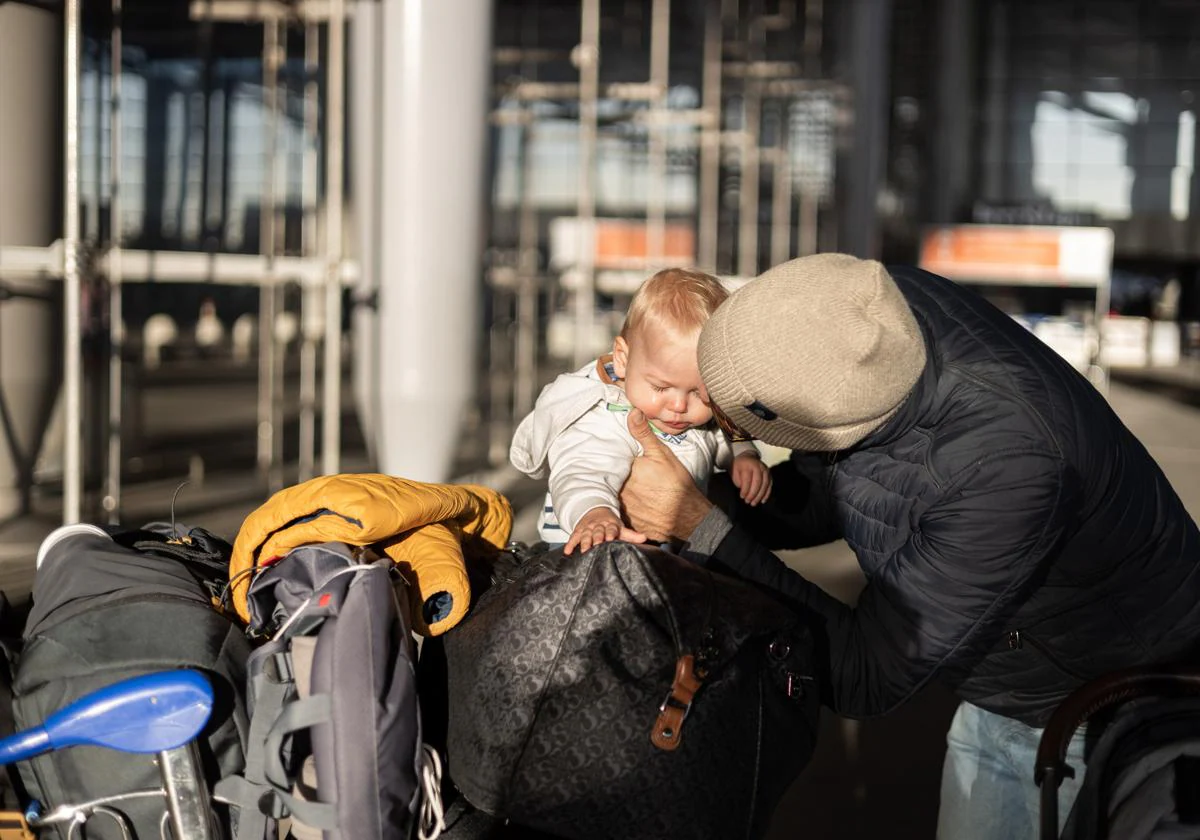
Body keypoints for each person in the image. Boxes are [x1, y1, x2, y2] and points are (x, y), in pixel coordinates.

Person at [615, 253, 1200, 839]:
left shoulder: (1011, 468)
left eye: (729, 420)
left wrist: (702, 525)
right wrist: (697, 491)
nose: (707, 420)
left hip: (1087, 702)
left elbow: (865, 673)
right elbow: (834, 491)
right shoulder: (866, 310)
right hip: (1004, 664)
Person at [510, 267, 771, 556]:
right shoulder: (604, 415)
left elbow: (718, 430)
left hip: (665, 550)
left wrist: (742, 453)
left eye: (700, 393)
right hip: (590, 547)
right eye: (661, 388)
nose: (679, 406)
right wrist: (594, 514)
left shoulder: (694, 415)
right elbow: (581, 473)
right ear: (623, 359)